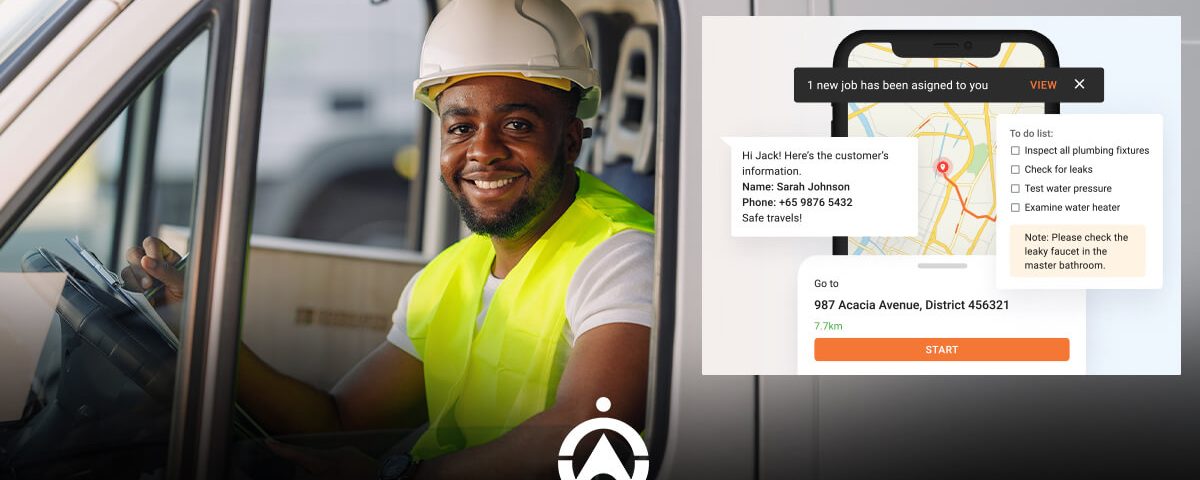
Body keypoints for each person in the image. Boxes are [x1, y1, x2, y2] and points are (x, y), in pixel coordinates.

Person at [122, 0, 654, 478]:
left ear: (569, 141)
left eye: (517, 125)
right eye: (460, 127)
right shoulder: (448, 276)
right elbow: (340, 419)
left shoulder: (623, 256)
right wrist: (199, 322)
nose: (483, 151)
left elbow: (589, 432)